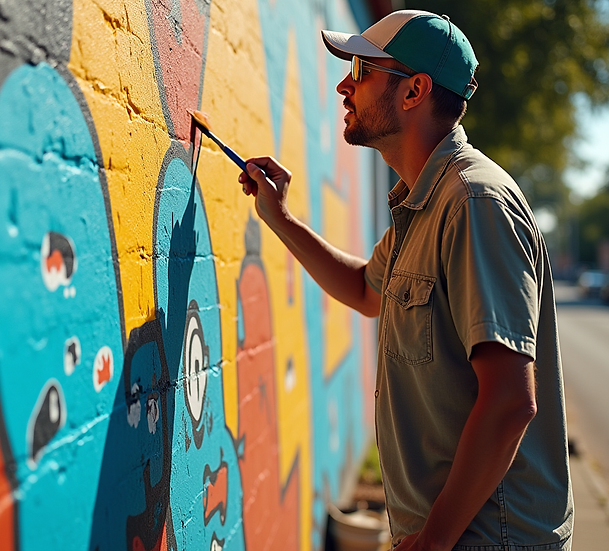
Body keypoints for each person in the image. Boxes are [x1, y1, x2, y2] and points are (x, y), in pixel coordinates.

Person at [238, 10, 573, 551]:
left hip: (488, 540)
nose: (345, 84)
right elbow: (366, 292)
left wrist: (434, 540)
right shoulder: (422, 202)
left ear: (415, 89)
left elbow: (512, 400)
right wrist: (280, 218)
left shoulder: (473, 203)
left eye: (363, 69)